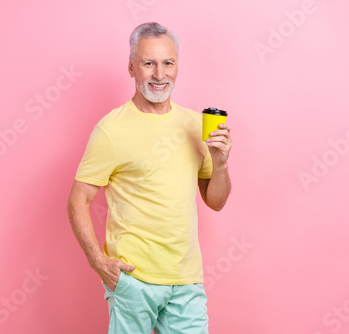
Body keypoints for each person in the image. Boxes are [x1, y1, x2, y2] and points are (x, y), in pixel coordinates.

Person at [67, 22, 232, 334]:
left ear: (177, 66)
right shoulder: (111, 130)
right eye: (148, 63)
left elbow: (216, 201)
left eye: (167, 63)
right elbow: (78, 199)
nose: (159, 74)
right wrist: (98, 262)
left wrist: (220, 165)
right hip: (134, 281)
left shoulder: (196, 125)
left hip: (185, 280)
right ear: (131, 67)